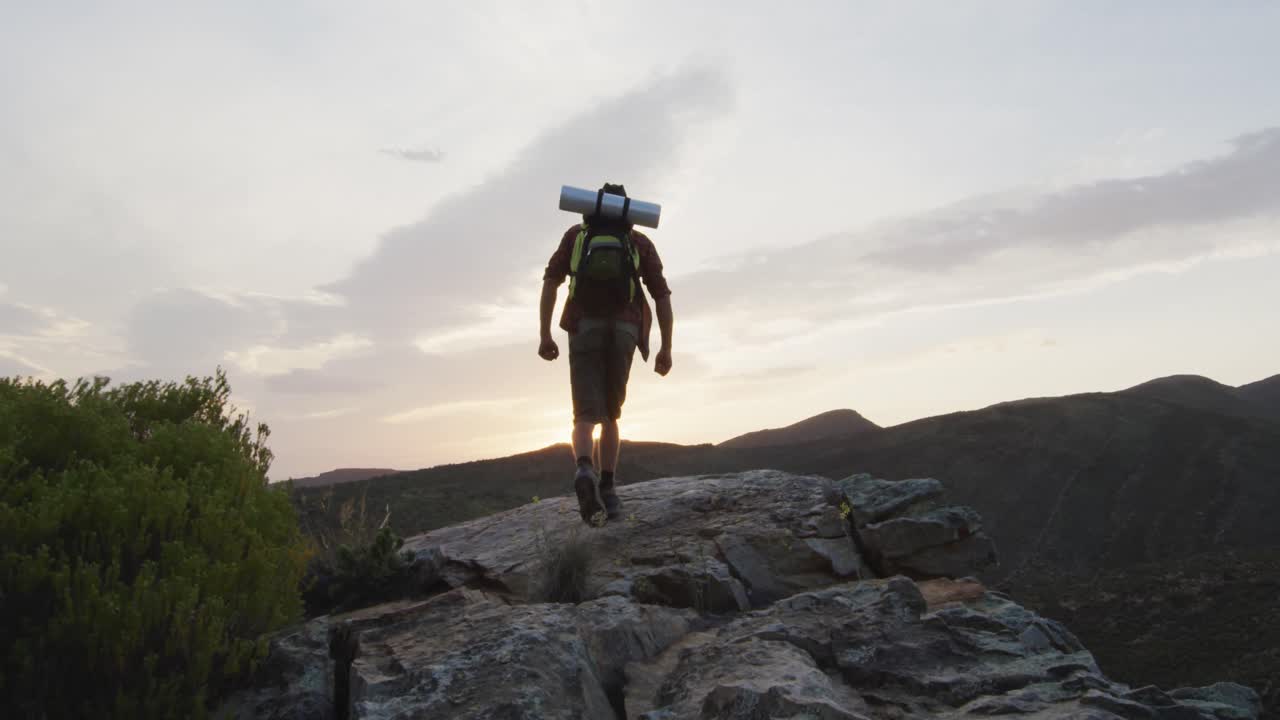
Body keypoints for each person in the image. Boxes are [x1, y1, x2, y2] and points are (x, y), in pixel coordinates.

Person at [538, 182, 674, 526]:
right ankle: (609, 488)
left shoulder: (576, 236)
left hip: (584, 326)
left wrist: (544, 334)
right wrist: (665, 348)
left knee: (583, 414)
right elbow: (661, 296)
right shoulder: (638, 241)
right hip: (625, 330)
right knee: (612, 414)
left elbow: (550, 282)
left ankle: (584, 468)